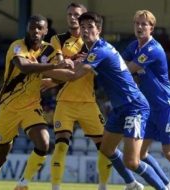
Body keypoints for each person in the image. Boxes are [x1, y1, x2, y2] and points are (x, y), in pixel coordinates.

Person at [44, 11, 170, 190]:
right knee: (106, 149)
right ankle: (132, 184)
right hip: (120, 108)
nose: (85, 30)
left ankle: (164, 188)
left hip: (134, 106)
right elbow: (73, 70)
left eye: (90, 27)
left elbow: (73, 76)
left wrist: (38, 69)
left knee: (132, 162)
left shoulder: (100, 50)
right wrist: (53, 75)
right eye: (83, 27)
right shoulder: (94, 51)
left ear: (99, 29)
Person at [0, 14, 69, 190]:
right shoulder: (17, 46)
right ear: (27, 28)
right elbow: (24, 67)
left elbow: (61, 76)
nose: (35, 31)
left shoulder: (49, 51)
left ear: (45, 31)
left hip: (31, 106)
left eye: (39, 28)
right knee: (1, 155)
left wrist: (55, 79)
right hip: (9, 107)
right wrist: (55, 67)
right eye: (32, 27)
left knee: (44, 143)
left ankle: (23, 183)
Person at [42, 3, 112, 190]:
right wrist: (63, 65)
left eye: (77, 15)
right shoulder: (58, 39)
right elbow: (58, 64)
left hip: (89, 102)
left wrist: (67, 65)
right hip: (65, 102)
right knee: (61, 146)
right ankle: (55, 187)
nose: (73, 18)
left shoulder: (94, 42)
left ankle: (103, 186)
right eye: (70, 14)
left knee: (105, 148)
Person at [122, 10, 170, 190]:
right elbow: (122, 62)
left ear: (151, 28)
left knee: (169, 152)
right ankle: (168, 186)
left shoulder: (153, 48)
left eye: (144, 24)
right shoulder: (134, 46)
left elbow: (127, 68)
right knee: (141, 153)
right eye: (137, 23)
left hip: (166, 105)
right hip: (150, 108)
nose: (139, 27)